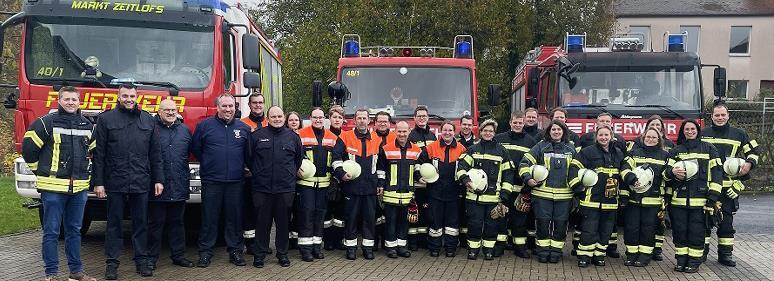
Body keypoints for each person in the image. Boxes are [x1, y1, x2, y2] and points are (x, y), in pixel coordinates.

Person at [22, 86, 97, 281]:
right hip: (53, 188)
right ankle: (52, 274)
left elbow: (94, 153)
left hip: (79, 189)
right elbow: (28, 150)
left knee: (74, 231)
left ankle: (76, 272)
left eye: (74, 99)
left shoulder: (86, 125)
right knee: (52, 232)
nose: (71, 103)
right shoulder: (45, 123)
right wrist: (41, 171)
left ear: (79, 102)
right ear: (59, 101)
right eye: (67, 99)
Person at [92, 83, 164, 279]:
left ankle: (142, 261)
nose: (129, 99)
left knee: (141, 223)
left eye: (132, 96)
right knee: (114, 224)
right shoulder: (106, 119)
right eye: (125, 96)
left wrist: (158, 179)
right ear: (118, 97)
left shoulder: (148, 120)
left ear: (136, 97)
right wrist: (98, 182)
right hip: (115, 180)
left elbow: (155, 153)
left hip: (141, 180)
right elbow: (99, 154)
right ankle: (112, 264)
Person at [191, 94, 251, 268]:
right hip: (212, 181)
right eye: (224, 106)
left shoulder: (243, 128)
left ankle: (235, 252)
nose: (228, 109)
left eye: (231, 106)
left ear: (235, 107)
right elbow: (196, 149)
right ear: (217, 108)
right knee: (209, 218)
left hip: (235, 182)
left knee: (234, 218)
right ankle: (205, 253)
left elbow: (248, 154)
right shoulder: (204, 126)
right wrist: (210, 165)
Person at [700, 102, 759, 267]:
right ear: (711, 116)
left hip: (728, 186)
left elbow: (754, 152)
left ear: (728, 116)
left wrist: (749, 165)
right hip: (708, 186)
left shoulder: (739, 134)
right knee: (704, 220)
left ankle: (725, 254)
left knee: (726, 222)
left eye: (723, 115)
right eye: (716, 115)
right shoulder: (703, 133)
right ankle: (701, 253)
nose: (720, 118)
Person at [665, 120, 722, 273]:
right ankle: (681, 260)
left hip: (700, 201)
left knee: (696, 232)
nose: (689, 131)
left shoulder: (709, 149)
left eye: (692, 129)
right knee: (680, 231)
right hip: (679, 201)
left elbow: (717, 176)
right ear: (683, 132)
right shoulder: (676, 151)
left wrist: (712, 199)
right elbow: (666, 174)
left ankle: (694, 261)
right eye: (686, 129)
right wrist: (671, 173)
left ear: (697, 130)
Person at [249, 106, 303, 268]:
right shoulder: (257, 136)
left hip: (285, 188)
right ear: (268, 118)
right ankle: (259, 255)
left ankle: (282, 254)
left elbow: (298, 160)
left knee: (283, 223)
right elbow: (249, 158)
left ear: (284, 118)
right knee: (262, 223)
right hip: (262, 188)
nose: (277, 119)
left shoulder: (293, 137)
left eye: (280, 116)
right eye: (274, 116)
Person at [519, 120, 579, 263]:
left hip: (564, 197)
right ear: (549, 132)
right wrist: (528, 179)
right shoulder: (540, 146)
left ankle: (556, 252)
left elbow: (578, 170)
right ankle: (543, 251)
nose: (556, 132)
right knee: (542, 224)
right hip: (542, 195)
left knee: (560, 225)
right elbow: (524, 163)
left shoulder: (571, 149)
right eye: (553, 130)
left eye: (559, 129)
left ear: (564, 131)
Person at [147, 99, 195, 269]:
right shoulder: (151, 130)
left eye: (173, 110)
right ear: (158, 112)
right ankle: (151, 258)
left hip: (179, 184)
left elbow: (193, 153)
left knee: (178, 224)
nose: (170, 113)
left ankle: (178, 256)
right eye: (166, 110)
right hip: (157, 186)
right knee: (155, 225)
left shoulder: (185, 131)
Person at [457, 119, 514, 260]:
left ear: (494, 133)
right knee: (474, 225)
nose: (488, 133)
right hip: (473, 198)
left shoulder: (502, 152)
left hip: (494, 199)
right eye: (485, 130)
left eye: (491, 131)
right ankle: (473, 250)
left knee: (491, 226)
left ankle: (488, 250)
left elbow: (508, 174)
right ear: (480, 132)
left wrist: (505, 195)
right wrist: (466, 180)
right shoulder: (472, 150)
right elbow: (461, 167)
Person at [573, 125, 626, 267]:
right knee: (589, 229)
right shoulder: (587, 152)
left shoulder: (619, 153)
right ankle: (584, 256)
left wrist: (623, 196)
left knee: (605, 230)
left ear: (611, 136)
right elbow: (574, 168)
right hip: (591, 199)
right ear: (596, 137)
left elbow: (623, 174)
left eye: (606, 135)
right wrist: (579, 188)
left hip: (610, 200)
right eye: (600, 135)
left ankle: (599, 255)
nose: (603, 137)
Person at [332, 108, 381, 260]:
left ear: (369, 121)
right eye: (358, 118)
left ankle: (367, 248)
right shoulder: (345, 137)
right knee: (351, 218)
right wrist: (341, 174)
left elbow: (381, 166)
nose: (361, 121)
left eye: (364, 118)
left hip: (370, 187)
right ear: (354, 120)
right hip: (351, 187)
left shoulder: (376, 139)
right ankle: (351, 248)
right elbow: (336, 158)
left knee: (369, 219)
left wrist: (381, 183)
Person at [619, 127, 669, 267]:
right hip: (633, 199)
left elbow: (667, 176)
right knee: (631, 227)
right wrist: (631, 177)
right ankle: (631, 254)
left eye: (654, 137)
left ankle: (645, 255)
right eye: (648, 137)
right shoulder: (633, 153)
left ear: (659, 140)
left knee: (648, 229)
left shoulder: (665, 156)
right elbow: (624, 168)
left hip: (653, 201)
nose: (650, 139)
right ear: (643, 138)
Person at [295, 107, 340, 262]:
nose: (318, 120)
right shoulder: (300, 134)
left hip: (324, 185)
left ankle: (316, 247)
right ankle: (305, 250)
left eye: (321, 117)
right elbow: (293, 156)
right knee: (307, 215)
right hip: (306, 184)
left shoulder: (333, 137)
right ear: (310, 118)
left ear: (325, 119)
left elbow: (337, 159)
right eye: (315, 117)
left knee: (320, 217)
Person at [377, 121, 424, 258]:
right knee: (391, 221)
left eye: (404, 131)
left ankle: (401, 246)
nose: (402, 134)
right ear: (394, 132)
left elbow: (417, 167)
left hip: (408, 193)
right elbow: (381, 170)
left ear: (409, 131)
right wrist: (380, 184)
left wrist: (419, 177)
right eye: (399, 131)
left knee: (404, 222)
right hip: (390, 193)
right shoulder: (386, 148)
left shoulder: (416, 150)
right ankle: (390, 247)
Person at [494, 112, 537, 259]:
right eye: (515, 122)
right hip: (502, 187)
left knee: (519, 220)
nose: (518, 125)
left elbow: (533, 165)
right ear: (510, 122)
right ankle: (499, 246)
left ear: (524, 123)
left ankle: (520, 247)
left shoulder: (531, 141)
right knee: (500, 217)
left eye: (520, 122)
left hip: (521, 188)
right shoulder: (499, 139)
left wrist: (527, 187)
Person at [424, 120, 466, 257]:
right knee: (435, 221)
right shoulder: (431, 147)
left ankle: (450, 248)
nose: (447, 133)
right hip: (435, 191)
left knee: (452, 223)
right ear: (441, 132)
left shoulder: (462, 149)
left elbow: (466, 169)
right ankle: (435, 248)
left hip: (454, 192)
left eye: (450, 130)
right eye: (445, 130)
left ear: (454, 132)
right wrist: (420, 175)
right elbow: (420, 163)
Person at [240, 93, 267, 256]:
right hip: (249, 175)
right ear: (249, 105)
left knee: (264, 211)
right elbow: (239, 149)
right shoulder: (242, 124)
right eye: (254, 103)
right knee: (249, 209)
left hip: (265, 176)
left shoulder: (269, 122)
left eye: (260, 103)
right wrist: (245, 167)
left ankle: (262, 242)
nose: (258, 105)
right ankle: (250, 243)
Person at [407, 105, 436, 250]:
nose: (422, 118)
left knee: (426, 211)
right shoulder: (411, 136)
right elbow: (411, 160)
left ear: (428, 118)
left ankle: (423, 241)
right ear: (414, 119)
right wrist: (417, 177)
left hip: (430, 182)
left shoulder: (433, 136)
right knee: (414, 210)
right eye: (419, 116)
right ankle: (412, 242)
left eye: (424, 116)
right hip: (415, 181)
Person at [323, 105, 347, 251]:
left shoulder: (347, 136)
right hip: (328, 178)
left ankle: (338, 240)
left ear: (343, 120)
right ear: (329, 118)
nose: (337, 120)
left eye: (339, 117)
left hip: (343, 179)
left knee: (340, 212)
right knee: (326, 211)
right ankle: (328, 241)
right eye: (334, 117)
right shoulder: (324, 134)